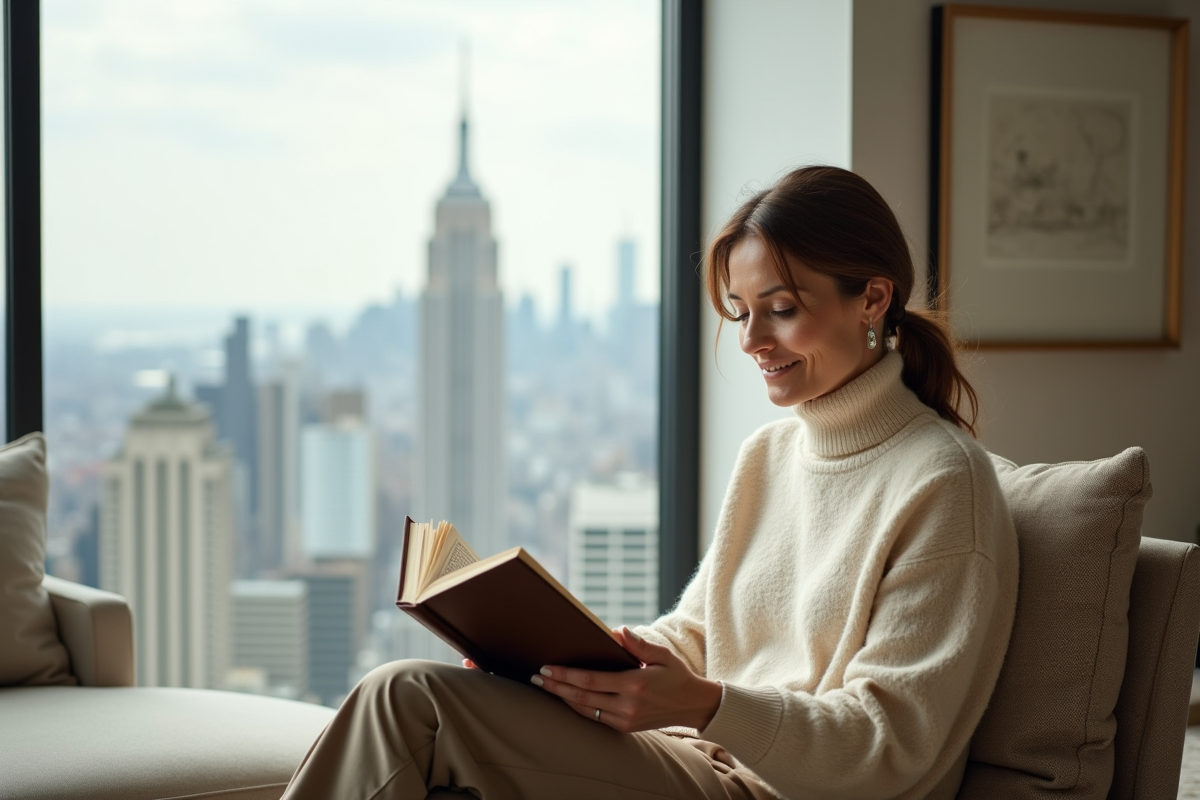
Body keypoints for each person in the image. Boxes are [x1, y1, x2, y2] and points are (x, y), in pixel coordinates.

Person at [280, 165, 1018, 800]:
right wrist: (568, 663)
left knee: (409, 698)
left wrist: (706, 706)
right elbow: (698, 638)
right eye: (741, 312)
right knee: (426, 700)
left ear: (873, 300)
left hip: (773, 789)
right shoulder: (770, 454)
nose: (754, 341)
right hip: (700, 759)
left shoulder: (943, 483)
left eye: (782, 310)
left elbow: (888, 743)